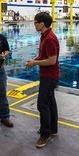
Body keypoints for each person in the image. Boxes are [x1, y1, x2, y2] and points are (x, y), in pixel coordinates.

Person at [25, 12, 60, 148]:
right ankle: (53, 129)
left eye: (35, 22)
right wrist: (35, 60)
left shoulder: (50, 38)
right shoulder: (44, 36)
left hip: (49, 76)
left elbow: (52, 60)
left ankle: (44, 134)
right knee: (50, 102)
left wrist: (35, 63)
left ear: (42, 24)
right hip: (48, 75)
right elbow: (43, 55)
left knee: (42, 104)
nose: (34, 24)